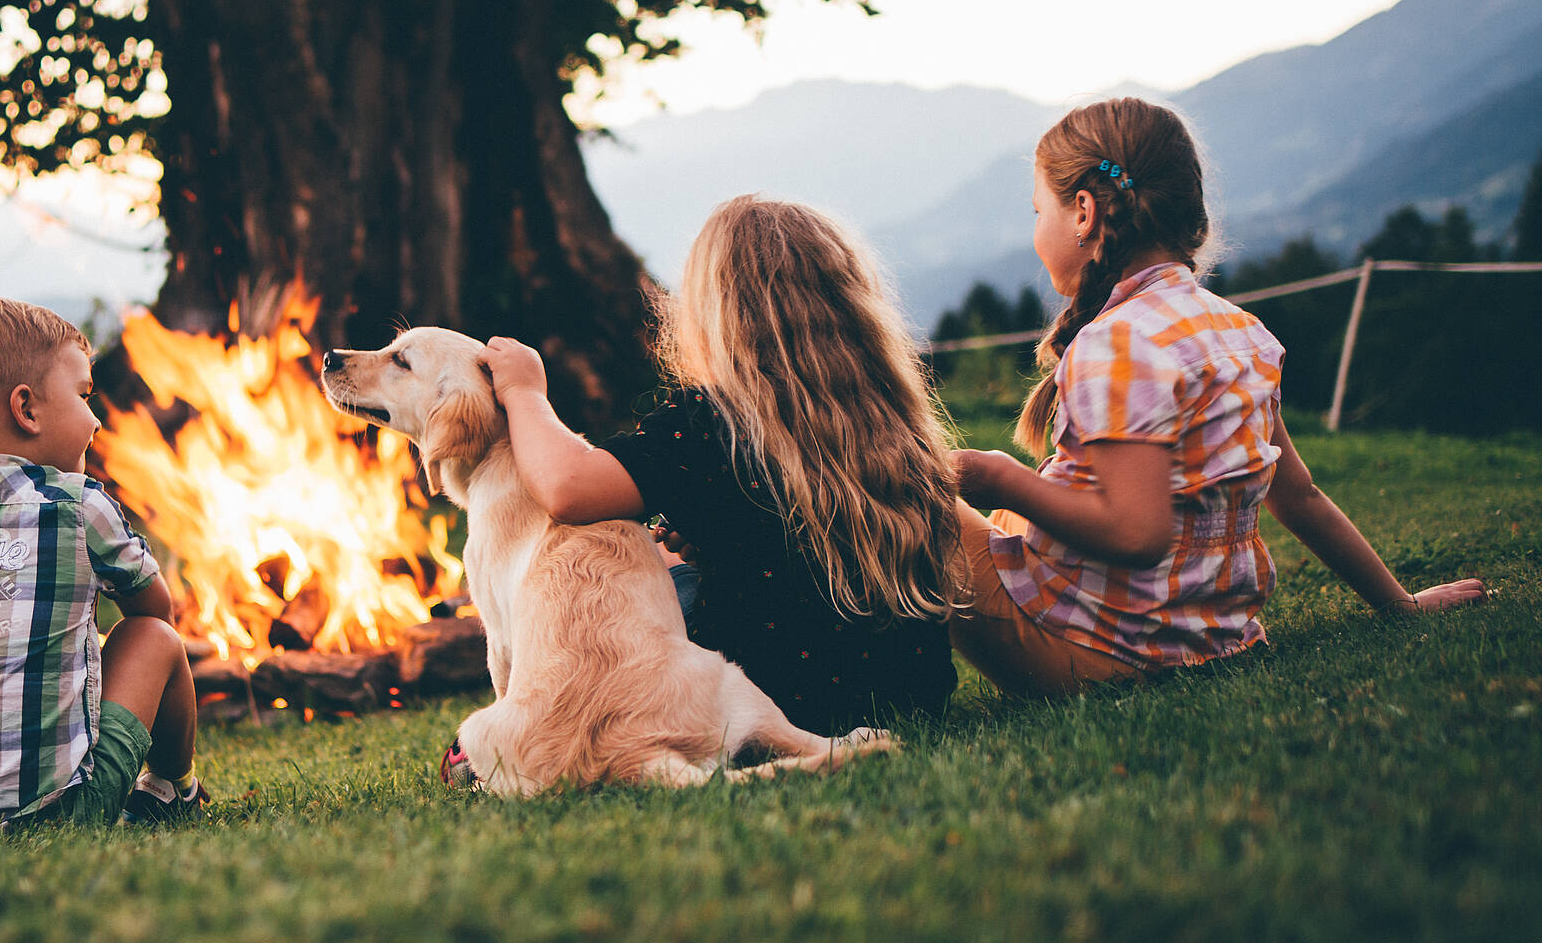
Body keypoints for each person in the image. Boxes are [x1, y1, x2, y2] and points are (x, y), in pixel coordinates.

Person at [949, 97, 1486, 697]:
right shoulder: (1241, 334)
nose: (1035, 233)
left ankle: (877, 686)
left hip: (1092, 656)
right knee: (1009, 518)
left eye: (1037, 210)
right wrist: (1400, 604)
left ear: (1083, 212)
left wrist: (995, 475)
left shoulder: (1114, 345)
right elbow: (1300, 495)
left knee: (910, 504)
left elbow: (1136, 534)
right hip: (1203, 645)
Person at [480, 195, 967, 735]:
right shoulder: (893, 414)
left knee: (632, 579)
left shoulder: (712, 423)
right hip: (913, 695)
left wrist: (525, 392)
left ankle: (527, 726)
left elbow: (567, 487)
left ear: (716, 315)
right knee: (669, 559)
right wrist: (716, 541)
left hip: (773, 701)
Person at [0, 298, 207, 838]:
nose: (95, 418)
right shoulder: (77, 504)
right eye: (84, 395)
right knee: (154, 638)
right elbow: (155, 608)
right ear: (26, 409)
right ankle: (173, 787)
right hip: (56, 810)